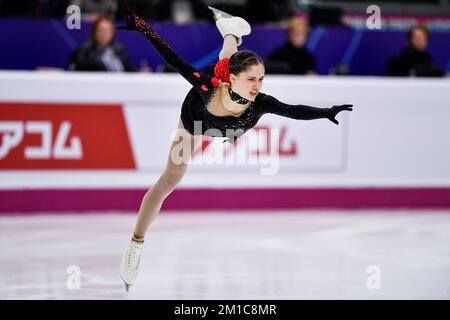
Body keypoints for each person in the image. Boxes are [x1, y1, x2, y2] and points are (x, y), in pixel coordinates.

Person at [117, 0, 353, 291]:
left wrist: (325, 111)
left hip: (226, 95)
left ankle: (230, 30)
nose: (258, 85)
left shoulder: (261, 103)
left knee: (226, 61)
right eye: (252, 79)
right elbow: (173, 59)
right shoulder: (209, 87)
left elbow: (295, 110)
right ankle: (136, 243)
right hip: (197, 118)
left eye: (261, 79)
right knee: (170, 179)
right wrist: (141, 27)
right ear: (235, 79)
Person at [68, 15, 136, 72]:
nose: (104, 34)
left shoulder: (119, 50)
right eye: (101, 31)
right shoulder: (86, 50)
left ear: (112, 33)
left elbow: (130, 71)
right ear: (94, 32)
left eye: (106, 31)